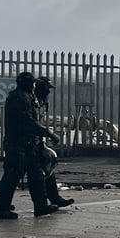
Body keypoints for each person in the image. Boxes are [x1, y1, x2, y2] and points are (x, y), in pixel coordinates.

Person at [0, 72, 62, 219]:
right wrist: (48, 134)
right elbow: (27, 122)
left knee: (36, 175)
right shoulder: (20, 98)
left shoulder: (25, 97)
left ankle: (41, 206)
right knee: (13, 175)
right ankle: (1, 208)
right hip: (19, 144)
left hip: (27, 144)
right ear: (30, 84)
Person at [34, 77, 75, 208]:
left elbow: (39, 122)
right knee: (16, 174)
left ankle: (54, 197)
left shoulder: (44, 102)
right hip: (25, 142)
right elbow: (32, 123)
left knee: (48, 168)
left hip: (36, 141)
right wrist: (49, 134)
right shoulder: (30, 101)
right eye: (46, 89)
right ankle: (1, 203)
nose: (48, 92)